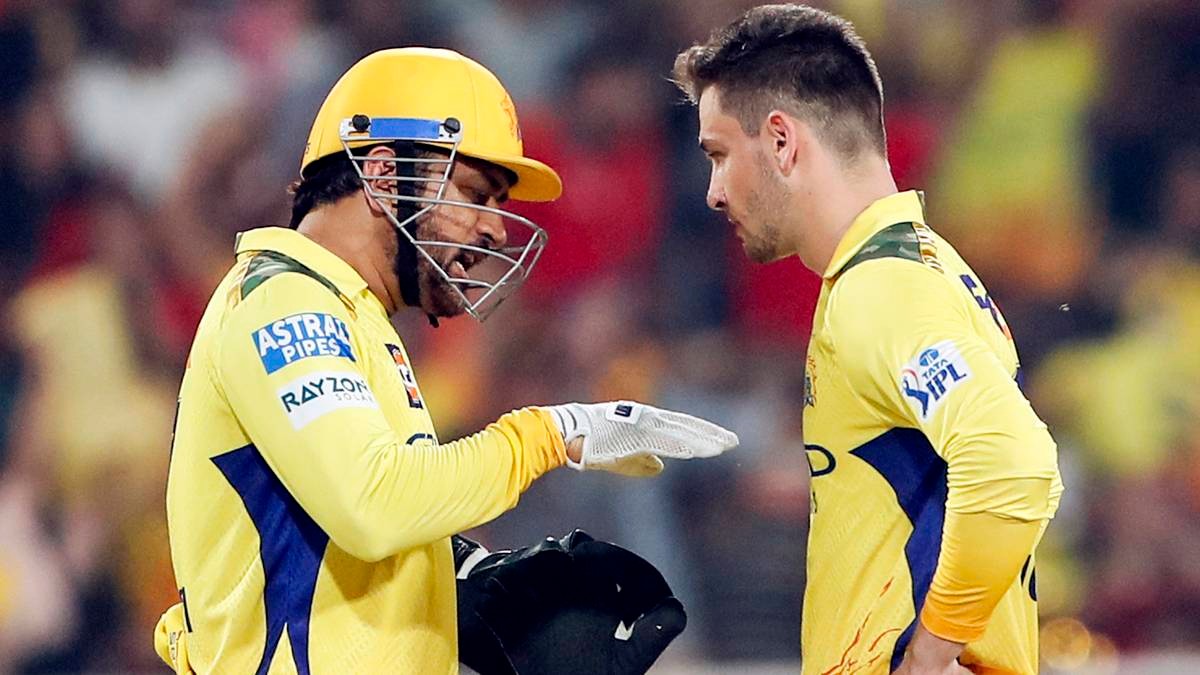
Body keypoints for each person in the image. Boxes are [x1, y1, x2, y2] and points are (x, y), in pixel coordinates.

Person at [152, 47, 737, 674]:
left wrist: (468, 579)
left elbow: (339, 527)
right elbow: (372, 503)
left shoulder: (351, 315)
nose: (497, 230)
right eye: (476, 193)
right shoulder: (286, 303)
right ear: (382, 175)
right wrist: (549, 434)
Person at [673, 5, 1062, 675]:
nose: (713, 191)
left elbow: (1015, 464)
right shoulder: (922, 265)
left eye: (719, 155)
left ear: (781, 141)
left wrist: (929, 656)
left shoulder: (881, 289)